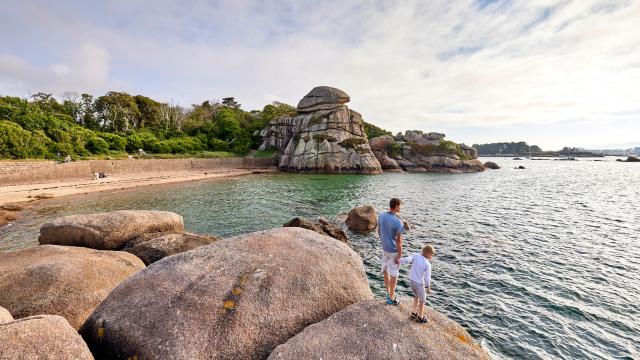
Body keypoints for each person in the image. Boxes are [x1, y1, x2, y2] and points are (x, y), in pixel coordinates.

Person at [378, 198, 405, 305]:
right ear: (397, 206)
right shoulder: (399, 222)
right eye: (400, 206)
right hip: (393, 251)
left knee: (385, 270)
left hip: (384, 248)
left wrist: (384, 241)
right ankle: (391, 298)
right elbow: (399, 241)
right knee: (394, 274)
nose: (401, 208)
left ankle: (388, 292)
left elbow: (379, 231)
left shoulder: (381, 215)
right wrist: (400, 256)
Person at [400, 245, 435, 323]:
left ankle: (413, 313)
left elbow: (407, 260)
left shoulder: (415, 255)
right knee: (422, 300)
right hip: (419, 283)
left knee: (416, 296)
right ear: (426, 253)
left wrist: (398, 260)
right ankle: (420, 317)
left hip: (412, 281)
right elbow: (427, 278)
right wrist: (428, 288)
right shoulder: (427, 264)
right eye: (431, 254)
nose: (432, 256)